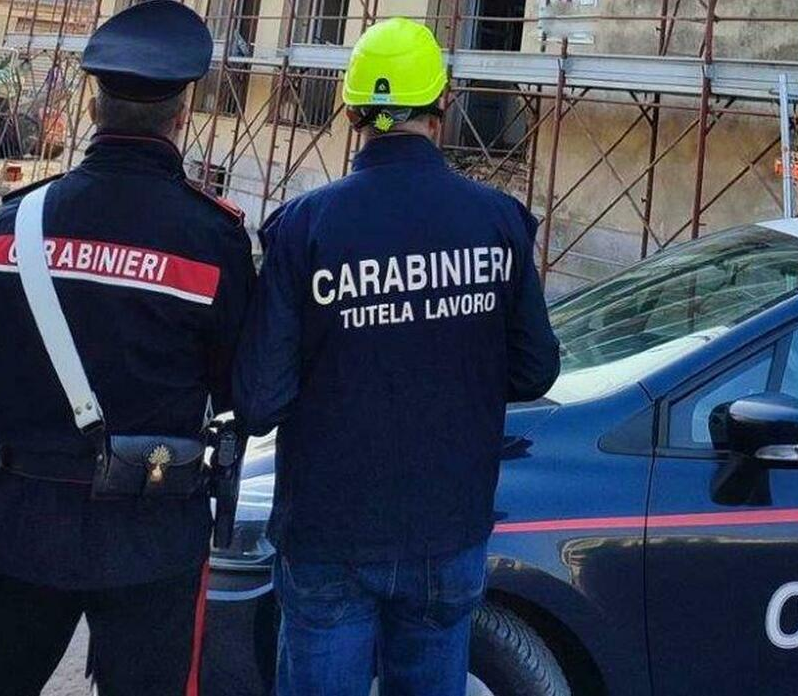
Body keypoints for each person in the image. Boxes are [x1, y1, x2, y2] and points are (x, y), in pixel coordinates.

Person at [232, 17, 560, 696]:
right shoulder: (498, 221)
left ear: (353, 113)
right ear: (443, 106)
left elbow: (259, 399)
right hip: (446, 529)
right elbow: (535, 370)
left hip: (329, 533)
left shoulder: (305, 226)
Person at [0, 2, 255, 694]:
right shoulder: (213, 240)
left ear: (92, 106)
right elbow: (241, 392)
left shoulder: (9, 228)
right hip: (151, 533)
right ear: (181, 115)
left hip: (18, 524)